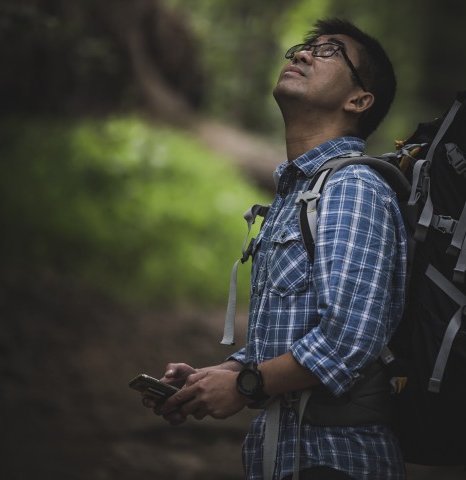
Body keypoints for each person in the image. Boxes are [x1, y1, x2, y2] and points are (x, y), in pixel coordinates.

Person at [144, 18, 407, 480]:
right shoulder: (297, 194)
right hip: (284, 455)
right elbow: (291, 335)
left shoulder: (353, 187)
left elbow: (348, 340)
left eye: (329, 53)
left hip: (336, 459)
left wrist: (245, 387)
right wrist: (217, 375)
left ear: (359, 100)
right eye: (305, 47)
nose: (303, 54)